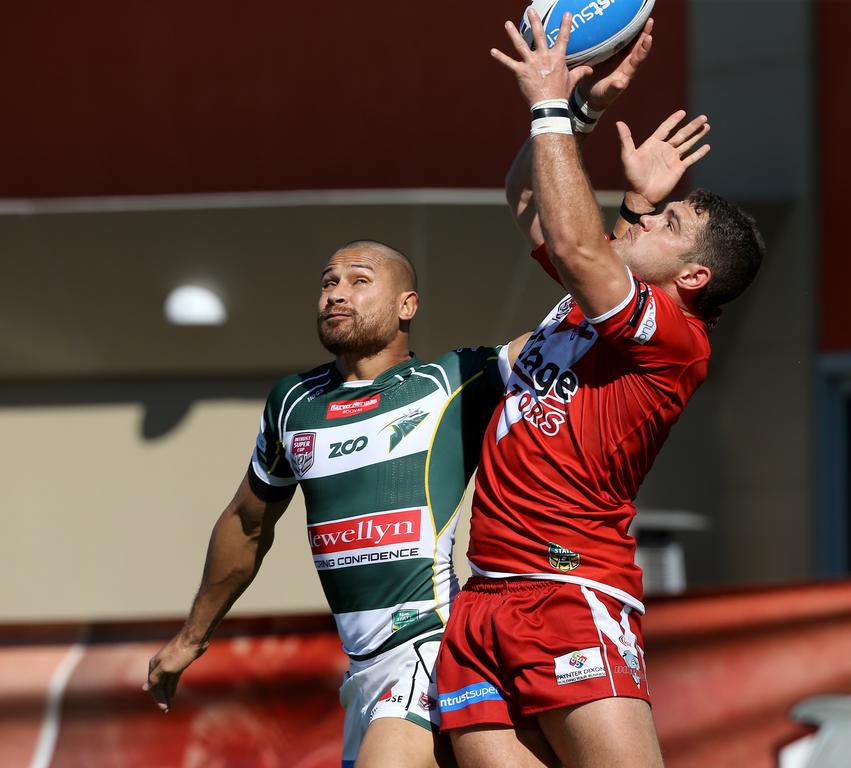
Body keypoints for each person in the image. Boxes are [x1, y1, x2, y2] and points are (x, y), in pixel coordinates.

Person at [435, 11, 766, 768]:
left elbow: (584, 246)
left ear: (692, 277)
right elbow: (528, 197)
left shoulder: (675, 339)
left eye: (668, 221)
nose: (647, 217)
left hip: (568, 590)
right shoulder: (599, 293)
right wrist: (585, 110)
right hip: (485, 594)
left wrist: (550, 104)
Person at [144, 240, 512, 768]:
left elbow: (572, 330)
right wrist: (191, 637)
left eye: (359, 281)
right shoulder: (293, 401)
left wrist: (634, 223)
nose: (337, 295)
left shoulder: (454, 381)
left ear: (408, 305)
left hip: (432, 649)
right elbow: (248, 524)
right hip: (360, 674)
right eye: (328, 282)